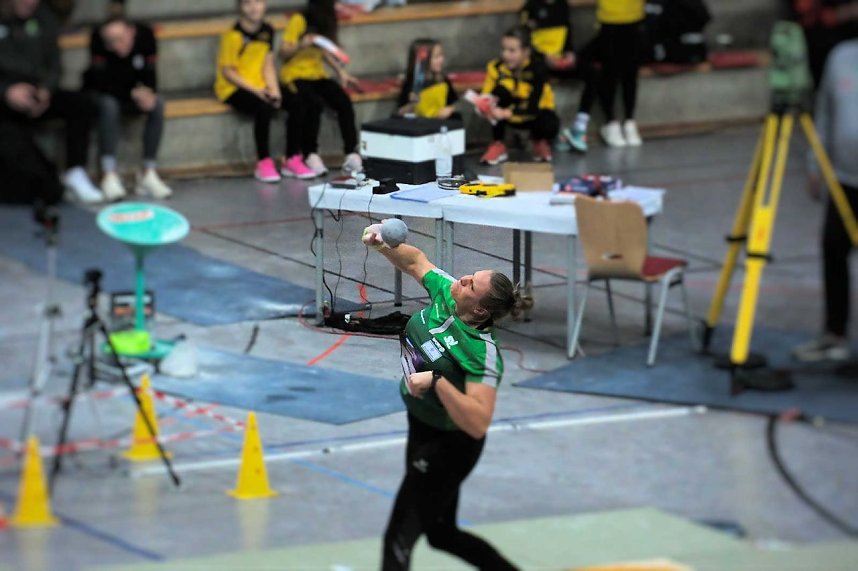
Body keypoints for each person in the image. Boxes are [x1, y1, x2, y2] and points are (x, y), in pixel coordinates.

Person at [362, 225, 522, 571]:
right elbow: (416, 262)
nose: (463, 279)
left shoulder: (482, 352)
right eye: (470, 275)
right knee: (441, 533)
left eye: (471, 284)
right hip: (421, 423)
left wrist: (438, 382)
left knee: (398, 539)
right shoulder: (449, 292)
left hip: (450, 444)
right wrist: (382, 245)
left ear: (480, 311)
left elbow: (478, 423)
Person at [792, 38, 858, 363]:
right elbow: (825, 113)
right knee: (833, 250)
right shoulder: (841, 56)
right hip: (844, 180)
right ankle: (834, 334)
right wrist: (815, 164)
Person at [0, 0, 102, 203]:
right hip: (4, 99)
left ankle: (75, 170)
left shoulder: (44, 18)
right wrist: (6, 92)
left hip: (36, 92)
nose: (30, 2)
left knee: (81, 103)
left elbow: (55, 65)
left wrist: (46, 89)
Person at [84, 12, 172, 200]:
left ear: (131, 32)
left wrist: (147, 92)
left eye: (120, 39)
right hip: (106, 94)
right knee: (108, 105)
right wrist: (131, 92)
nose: (116, 45)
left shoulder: (146, 37)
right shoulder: (98, 41)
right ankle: (108, 174)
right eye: (111, 42)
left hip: (132, 92)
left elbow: (150, 73)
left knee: (157, 103)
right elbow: (100, 82)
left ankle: (148, 173)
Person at [279, 0, 363, 178]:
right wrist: (301, 44)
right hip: (295, 75)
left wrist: (341, 73)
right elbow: (284, 52)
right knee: (313, 104)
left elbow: (323, 50)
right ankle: (310, 154)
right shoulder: (299, 19)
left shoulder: (326, 20)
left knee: (343, 101)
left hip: (318, 74)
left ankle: (351, 153)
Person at [214, 0, 283, 183]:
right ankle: (264, 162)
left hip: (259, 84)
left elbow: (268, 64)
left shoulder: (268, 30)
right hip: (233, 87)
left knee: (296, 99)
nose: (253, 7)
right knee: (263, 107)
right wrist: (258, 91)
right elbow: (228, 72)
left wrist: (275, 90)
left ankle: (294, 157)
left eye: (258, 2)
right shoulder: (233, 35)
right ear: (240, 7)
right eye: (247, 3)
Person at [478, 26, 560, 165]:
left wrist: (506, 113)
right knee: (500, 92)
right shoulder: (495, 67)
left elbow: (533, 107)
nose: (505, 55)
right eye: (503, 49)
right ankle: (498, 144)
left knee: (549, 123)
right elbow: (486, 95)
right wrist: (486, 107)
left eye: (512, 50)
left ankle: (539, 141)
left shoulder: (538, 69)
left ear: (526, 51)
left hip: (533, 114)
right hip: (505, 113)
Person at [590, 0, 645, 148]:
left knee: (631, 74)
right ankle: (610, 122)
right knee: (610, 73)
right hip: (609, 19)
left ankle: (629, 121)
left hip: (635, 17)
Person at [396, 39, 458, 119]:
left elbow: (454, 103)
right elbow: (400, 113)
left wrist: (450, 109)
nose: (441, 59)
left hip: (442, 123)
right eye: (436, 57)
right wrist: (412, 105)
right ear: (422, 60)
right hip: (421, 124)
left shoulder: (442, 79)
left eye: (441, 55)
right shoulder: (411, 82)